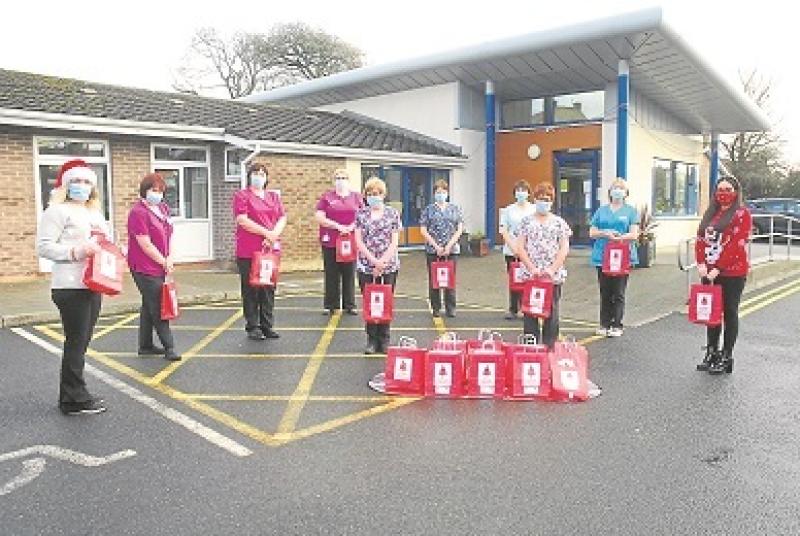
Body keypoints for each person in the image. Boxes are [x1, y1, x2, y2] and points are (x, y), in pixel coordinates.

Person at [37, 159, 109, 415]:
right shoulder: (56, 211)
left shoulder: (95, 214)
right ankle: (73, 398)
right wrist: (76, 251)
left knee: (82, 341)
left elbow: (105, 244)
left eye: (87, 182)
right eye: (76, 181)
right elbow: (44, 247)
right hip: (70, 285)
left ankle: (74, 392)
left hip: (94, 282)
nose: (82, 186)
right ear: (65, 185)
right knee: (76, 341)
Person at [694, 177, 751, 374]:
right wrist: (701, 263)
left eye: (727, 189)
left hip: (732, 272)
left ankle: (727, 356)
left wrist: (718, 268)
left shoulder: (742, 214)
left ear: (736, 191)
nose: (723, 193)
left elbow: (737, 243)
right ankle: (712, 351)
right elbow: (700, 238)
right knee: (711, 313)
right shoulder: (712, 213)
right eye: (719, 189)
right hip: (709, 272)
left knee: (729, 311)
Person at [127, 173, 180, 361]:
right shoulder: (138, 212)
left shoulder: (163, 208)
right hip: (143, 266)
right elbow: (145, 243)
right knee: (158, 304)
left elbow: (169, 235)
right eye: (153, 190)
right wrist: (163, 261)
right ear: (144, 190)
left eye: (160, 191)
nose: (156, 194)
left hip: (160, 263)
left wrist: (170, 257)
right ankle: (170, 347)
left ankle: (145, 345)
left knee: (149, 303)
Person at [514, 182, 572, 349]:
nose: (543, 202)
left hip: (552, 276)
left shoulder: (559, 223)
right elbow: (520, 247)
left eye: (546, 199)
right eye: (539, 199)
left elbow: (564, 247)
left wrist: (552, 269)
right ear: (534, 200)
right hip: (530, 274)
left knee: (551, 312)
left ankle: (549, 346)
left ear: (552, 201)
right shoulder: (526, 222)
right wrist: (531, 268)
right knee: (530, 311)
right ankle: (530, 346)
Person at [233, 163, 286, 341]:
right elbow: (242, 220)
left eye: (262, 174)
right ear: (250, 176)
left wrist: (273, 235)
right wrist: (266, 232)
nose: (259, 176)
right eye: (255, 173)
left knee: (268, 288)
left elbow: (282, 217)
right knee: (251, 289)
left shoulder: (273, 196)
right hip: (249, 251)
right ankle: (253, 326)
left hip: (269, 249)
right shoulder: (242, 196)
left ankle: (267, 325)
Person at [354, 177, 401, 354]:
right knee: (370, 302)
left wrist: (383, 261)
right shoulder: (361, 214)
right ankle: (372, 340)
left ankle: (385, 338)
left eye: (378, 193)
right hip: (366, 266)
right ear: (366, 196)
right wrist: (373, 261)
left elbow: (395, 240)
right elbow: (358, 240)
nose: (375, 197)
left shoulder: (392, 214)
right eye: (371, 194)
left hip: (389, 266)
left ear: (384, 194)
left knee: (386, 301)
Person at [589, 178, 639, 337]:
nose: (618, 190)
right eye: (615, 188)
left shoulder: (630, 211)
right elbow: (592, 232)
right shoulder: (601, 211)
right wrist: (605, 233)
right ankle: (604, 323)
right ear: (610, 192)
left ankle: (617, 324)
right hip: (602, 256)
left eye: (621, 188)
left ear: (626, 193)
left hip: (622, 257)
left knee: (618, 292)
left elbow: (634, 234)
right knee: (605, 291)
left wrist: (621, 237)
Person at [314, 169, 363, 316]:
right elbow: (319, 217)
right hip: (331, 241)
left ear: (348, 180)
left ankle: (349, 304)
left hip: (350, 240)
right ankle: (331, 304)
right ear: (333, 181)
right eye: (337, 178)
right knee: (331, 272)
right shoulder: (327, 197)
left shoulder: (356, 197)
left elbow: (363, 216)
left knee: (349, 272)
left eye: (343, 178)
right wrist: (337, 226)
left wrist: (351, 227)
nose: (340, 180)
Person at [420, 179, 464, 318]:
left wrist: (449, 245)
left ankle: (451, 307)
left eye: (443, 192)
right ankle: (436, 308)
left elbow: (460, 228)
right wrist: (436, 246)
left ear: (448, 193)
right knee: (434, 280)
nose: (441, 194)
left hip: (451, 251)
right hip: (433, 251)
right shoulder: (428, 210)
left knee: (449, 280)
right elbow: (423, 229)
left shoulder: (454, 208)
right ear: (434, 194)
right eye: (438, 192)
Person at [499, 180, 536, 320]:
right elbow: (503, 230)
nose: (521, 193)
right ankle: (513, 308)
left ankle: (527, 307)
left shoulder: (533, 209)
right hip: (511, 251)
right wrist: (513, 246)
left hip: (530, 252)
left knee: (529, 280)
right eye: (518, 190)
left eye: (524, 190)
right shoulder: (508, 210)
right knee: (514, 279)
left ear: (528, 193)